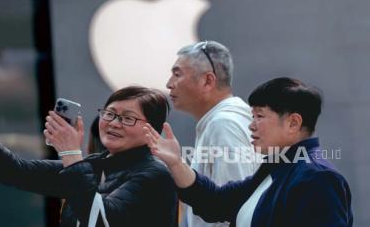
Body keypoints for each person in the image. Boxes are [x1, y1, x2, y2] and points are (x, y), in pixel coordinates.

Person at [0, 72, 178, 227]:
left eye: (128, 118)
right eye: (110, 113)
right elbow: (12, 171)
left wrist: (71, 155)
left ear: (151, 130)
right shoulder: (96, 165)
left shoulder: (154, 174)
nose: (113, 123)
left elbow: (99, 221)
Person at [145, 77, 353, 227]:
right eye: (252, 116)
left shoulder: (318, 179)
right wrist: (176, 163)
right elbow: (215, 202)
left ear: (293, 123)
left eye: (259, 116)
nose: (251, 126)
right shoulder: (274, 169)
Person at [166, 41, 257, 226]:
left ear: (208, 81)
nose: (169, 84)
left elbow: (231, 209)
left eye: (177, 74)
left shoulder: (224, 124)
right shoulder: (223, 120)